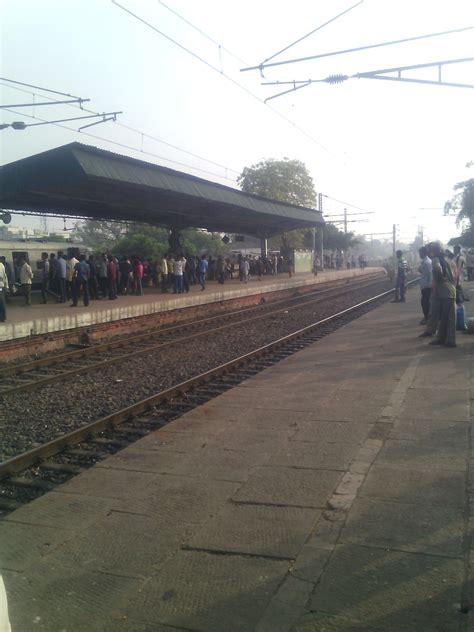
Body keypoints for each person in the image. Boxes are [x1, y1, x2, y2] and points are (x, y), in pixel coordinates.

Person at [417, 246, 432, 324]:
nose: (419, 254)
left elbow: (428, 274)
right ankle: (427, 318)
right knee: (425, 303)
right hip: (425, 286)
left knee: (425, 303)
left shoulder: (426, 263)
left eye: (420, 253)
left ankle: (427, 319)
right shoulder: (425, 261)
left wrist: (429, 286)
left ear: (424, 253)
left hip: (426, 286)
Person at [0, 258, 8, 322]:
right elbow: (5, 276)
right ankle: (3, 317)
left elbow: (1, 276)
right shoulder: (2, 265)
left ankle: (3, 317)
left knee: (1, 302)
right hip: (1, 285)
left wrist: (6, 286)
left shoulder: (0, 265)